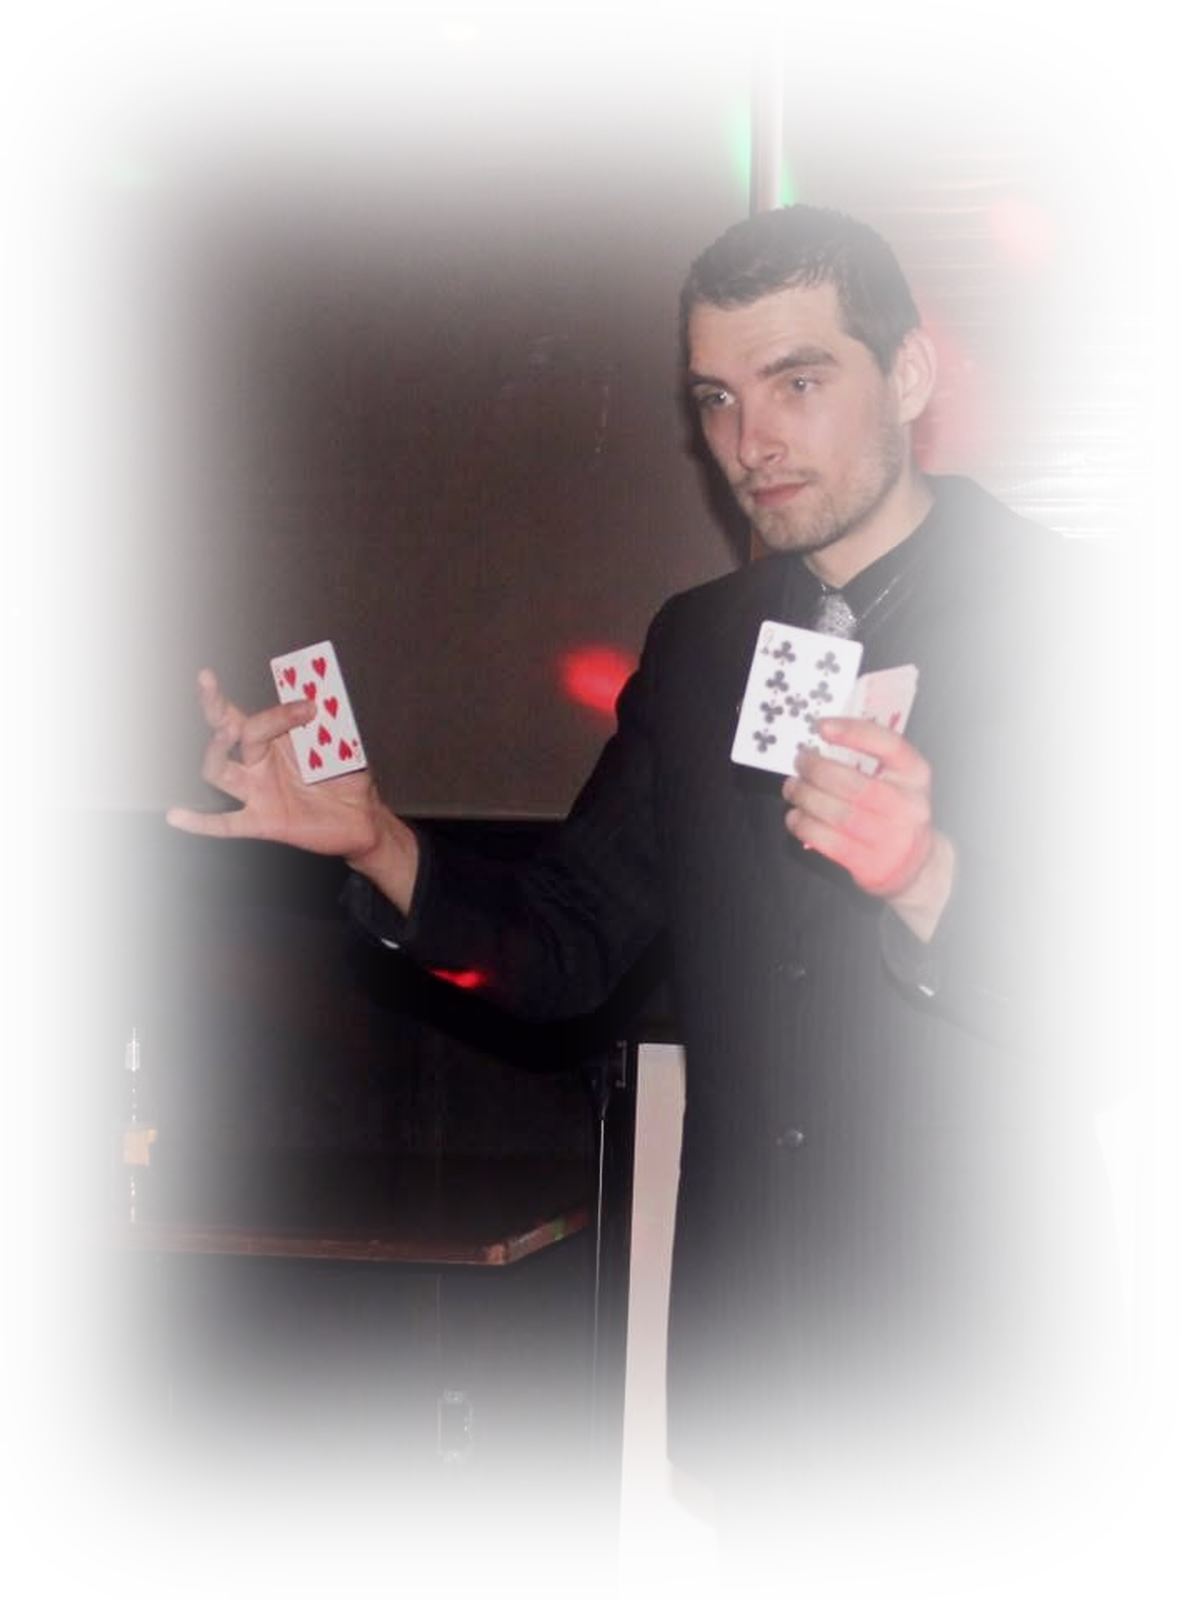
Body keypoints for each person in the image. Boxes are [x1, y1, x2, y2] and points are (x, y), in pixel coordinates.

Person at [167, 203, 1178, 1597]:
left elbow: (1111, 992)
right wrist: (382, 849)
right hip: (755, 1367)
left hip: (964, 1378)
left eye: (798, 382)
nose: (752, 440)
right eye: (718, 398)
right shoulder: (700, 650)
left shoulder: (1093, 623)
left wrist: (925, 875)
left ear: (911, 381)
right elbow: (567, 947)